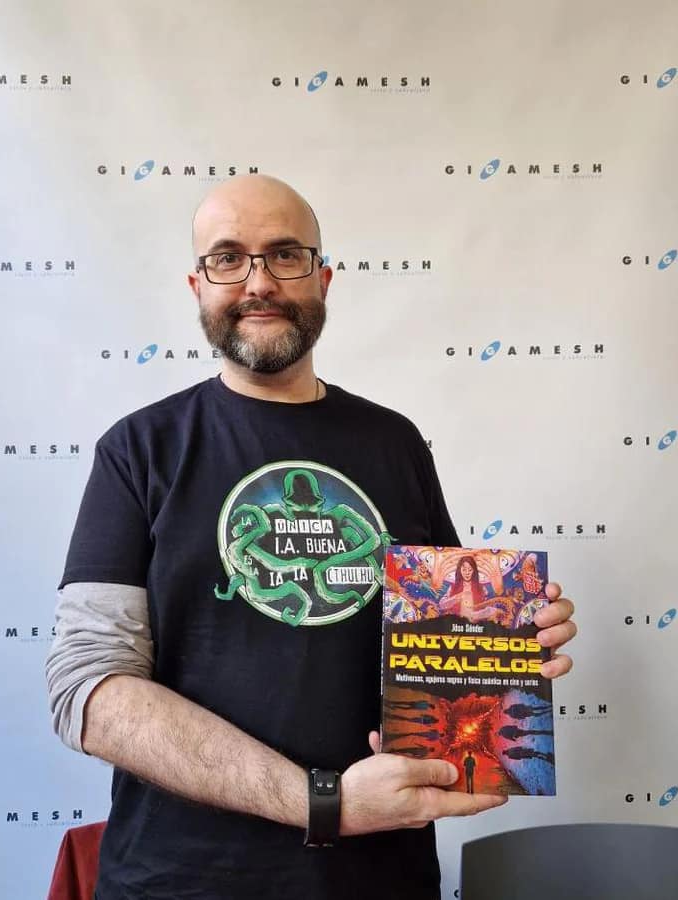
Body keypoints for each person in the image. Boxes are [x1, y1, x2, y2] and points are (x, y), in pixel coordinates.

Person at [46, 175, 577, 900]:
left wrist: (509, 640)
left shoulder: (396, 443)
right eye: (228, 258)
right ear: (197, 286)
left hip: (380, 879)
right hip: (179, 881)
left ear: (323, 278)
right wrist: (323, 802)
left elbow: (448, 637)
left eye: (285, 254)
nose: (258, 281)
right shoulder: (138, 450)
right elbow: (89, 687)